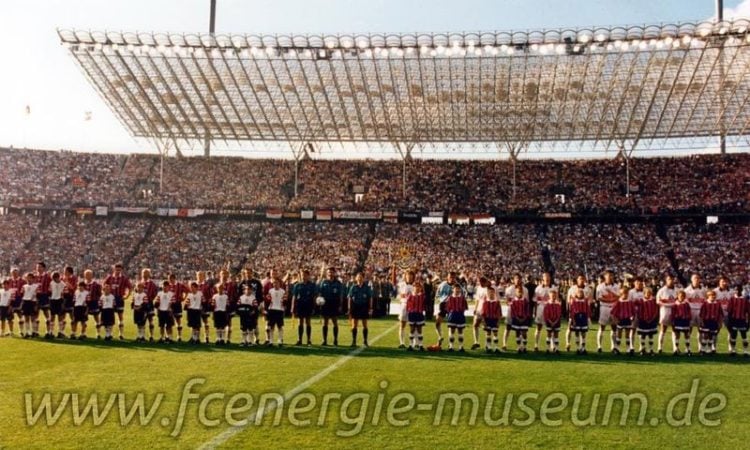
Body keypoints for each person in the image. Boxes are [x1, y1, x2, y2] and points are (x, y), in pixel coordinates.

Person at [104, 263, 132, 340]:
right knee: (110, 316)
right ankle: (109, 334)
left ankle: (121, 334)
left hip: (119, 299)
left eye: (119, 270)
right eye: (116, 269)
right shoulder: (109, 277)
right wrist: (106, 294)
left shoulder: (124, 278)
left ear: (121, 270)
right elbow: (104, 285)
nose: (118, 271)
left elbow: (130, 287)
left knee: (120, 317)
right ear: (114, 269)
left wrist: (127, 296)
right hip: (111, 299)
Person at [565, 275, 592, 352]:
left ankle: (582, 347)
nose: (581, 280)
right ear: (577, 279)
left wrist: (588, 315)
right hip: (574, 312)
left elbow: (590, 301)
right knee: (570, 328)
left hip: (583, 313)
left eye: (583, 279)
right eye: (580, 278)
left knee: (582, 331)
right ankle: (568, 343)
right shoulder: (572, 288)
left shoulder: (588, 289)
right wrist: (569, 312)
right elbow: (568, 300)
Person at [595, 270, 619, 353]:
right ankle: (599, 346)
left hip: (614, 308)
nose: (611, 277)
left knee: (614, 327)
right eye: (609, 276)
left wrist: (611, 298)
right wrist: (611, 298)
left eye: (612, 275)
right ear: (605, 276)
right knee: (602, 327)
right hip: (604, 308)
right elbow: (599, 298)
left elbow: (619, 297)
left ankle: (614, 347)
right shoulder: (600, 286)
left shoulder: (616, 286)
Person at [318, 266, 343, 346]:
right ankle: (324, 340)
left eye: (331, 272)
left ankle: (335, 340)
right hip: (325, 304)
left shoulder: (338, 283)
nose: (330, 273)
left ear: (334, 273)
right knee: (325, 323)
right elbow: (319, 293)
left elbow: (340, 295)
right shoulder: (323, 282)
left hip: (334, 304)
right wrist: (319, 300)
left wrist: (340, 305)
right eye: (328, 272)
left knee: (335, 322)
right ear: (326, 273)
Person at [503, 274, 529, 352]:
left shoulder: (525, 289)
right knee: (508, 327)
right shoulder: (509, 289)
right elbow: (507, 301)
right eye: (516, 278)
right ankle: (504, 344)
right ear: (513, 280)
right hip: (511, 311)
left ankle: (522, 346)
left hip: (521, 313)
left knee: (521, 330)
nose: (518, 280)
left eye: (519, 278)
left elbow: (526, 302)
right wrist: (513, 304)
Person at [291, 269, 316, 346]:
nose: (303, 276)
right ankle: (299, 339)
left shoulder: (312, 285)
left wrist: (314, 307)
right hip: (300, 304)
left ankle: (309, 340)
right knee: (300, 322)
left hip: (308, 304)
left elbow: (314, 297)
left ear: (308, 276)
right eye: (302, 275)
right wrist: (292, 307)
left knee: (308, 322)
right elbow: (294, 297)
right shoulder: (297, 285)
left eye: (305, 275)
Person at [348, 272, 373, 348]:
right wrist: (349, 308)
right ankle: (354, 341)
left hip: (364, 306)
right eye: (358, 277)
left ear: (363, 278)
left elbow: (370, 298)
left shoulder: (367, 288)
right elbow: (349, 297)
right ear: (356, 278)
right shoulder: (353, 287)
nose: (359, 278)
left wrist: (370, 308)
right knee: (354, 325)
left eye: (361, 277)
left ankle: (365, 341)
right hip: (355, 307)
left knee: (364, 324)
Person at [433, 271, 458, 348]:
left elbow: (462, 295)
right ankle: (440, 337)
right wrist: (439, 300)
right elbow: (437, 294)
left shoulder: (457, 286)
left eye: (453, 277)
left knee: (451, 325)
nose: (452, 279)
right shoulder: (443, 284)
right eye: (450, 277)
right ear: (447, 277)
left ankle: (451, 345)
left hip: (452, 306)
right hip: (443, 304)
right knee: (437, 323)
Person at [393, 266, 415, 349]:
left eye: (411, 276)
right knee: (402, 325)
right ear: (405, 276)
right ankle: (402, 343)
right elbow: (393, 282)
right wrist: (394, 269)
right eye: (407, 275)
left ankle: (413, 343)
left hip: (413, 307)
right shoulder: (402, 284)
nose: (409, 277)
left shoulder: (415, 285)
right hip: (404, 305)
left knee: (413, 325)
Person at [533, 272, 556, 352]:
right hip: (540, 310)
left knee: (551, 329)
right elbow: (535, 301)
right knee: (538, 328)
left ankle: (552, 346)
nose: (546, 278)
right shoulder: (538, 288)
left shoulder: (554, 288)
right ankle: (536, 345)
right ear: (542, 278)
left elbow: (557, 300)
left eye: (548, 277)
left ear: (550, 278)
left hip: (551, 310)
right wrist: (535, 312)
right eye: (545, 277)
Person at [684, 273, 707, 352]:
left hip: (701, 311)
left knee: (701, 330)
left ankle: (700, 347)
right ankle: (687, 347)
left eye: (698, 278)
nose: (696, 280)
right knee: (689, 330)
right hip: (691, 311)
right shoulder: (687, 290)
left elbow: (706, 300)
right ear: (691, 280)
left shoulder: (704, 290)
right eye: (695, 278)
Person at [656, 273, 677, 354]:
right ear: (666, 280)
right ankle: (659, 347)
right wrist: (669, 304)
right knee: (663, 330)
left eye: (672, 279)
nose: (671, 281)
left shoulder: (677, 290)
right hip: (665, 311)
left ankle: (675, 348)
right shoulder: (662, 290)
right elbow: (657, 301)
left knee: (674, 330)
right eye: (669, 279)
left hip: (674, 312)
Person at [613, 287, 637, 355]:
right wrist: (615, 319)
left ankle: (628, 348)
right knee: (619, 334)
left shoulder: (630, 302)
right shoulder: (618, 302)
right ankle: (617, 348)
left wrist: (633, 318)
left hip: (627, 320)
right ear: (620, 294)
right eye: (623, 293)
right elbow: (613, 312)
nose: (625, 295)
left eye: (626, 293)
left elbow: (634, 311)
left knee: (627, 334)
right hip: (620, 320)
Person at [726, 288, 749, 356]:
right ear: (734, 291)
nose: (737, 291)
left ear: (741, 291)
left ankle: (746, 351)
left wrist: (748, 323)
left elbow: (748, 311)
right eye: (736, 290)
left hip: (742, 320)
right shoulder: (732, 299)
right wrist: (729, 322)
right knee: (733, 335)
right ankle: (733, 350)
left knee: (744, 336)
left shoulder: (745, 300)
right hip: (734, 320)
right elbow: (729, 311)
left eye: (739, 290)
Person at [635, 287, 659, 355]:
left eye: (650, 293)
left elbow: (656, 310)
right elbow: (638, 310)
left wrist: (653, 318)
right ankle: (643, 349)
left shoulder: (653, 300)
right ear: (644, 293)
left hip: (651, 320)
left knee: (651, 335)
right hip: (643, 320)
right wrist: (642, 318)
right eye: (647, 293)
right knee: (643, 335)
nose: (648, 294)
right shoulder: (641, 301)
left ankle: (651, 349)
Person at [699, 290, 723, 355]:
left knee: (711, 336)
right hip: (706, 322)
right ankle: (702, 349)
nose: (713, 297)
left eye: (714, 295)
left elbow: (720, 314)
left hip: (714, 322)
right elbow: (701, 314)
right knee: (705, 336)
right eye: (711, 295)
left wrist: (720, 322)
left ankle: (709, 349)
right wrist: (702, 322)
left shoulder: (718, 304)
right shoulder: (705, 303)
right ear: (708, 296)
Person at [446, 284, 468, 352]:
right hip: (452, 315)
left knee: (460, 331)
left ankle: (461, 347)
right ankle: (451, 346)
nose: (457, 290)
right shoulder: (450, 298)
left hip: (460, 315)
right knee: (452, 331)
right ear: (453, 289)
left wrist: (461, 311)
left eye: (458, 289)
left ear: (460, 290)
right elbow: (447, 308)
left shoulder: (462, 298)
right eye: (456, 289)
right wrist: (450, 313)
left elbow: (465, 307)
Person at [166, 273, 187, 342]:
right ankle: (168, 336)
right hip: (169, 305)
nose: (169, 280)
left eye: (170, 279)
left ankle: (179, 336)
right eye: (168, 279)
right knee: (169, 321)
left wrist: (184, 298)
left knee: (178, 320)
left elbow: (187, 291)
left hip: (177, 304)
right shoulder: (167, 285)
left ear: (174, 278)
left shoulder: (180, 285)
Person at [265, 278, 286, 346]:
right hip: (272, 310)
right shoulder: (270, 291)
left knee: (280, 326)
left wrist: (284, 305)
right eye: (274, 283)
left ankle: (280, 340)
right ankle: (271, 341)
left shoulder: (283, 291)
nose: (275, 284)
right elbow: (267, 299)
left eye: (277, 283)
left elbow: (285, 300)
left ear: (279, 283)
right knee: (271, 326)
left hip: (280, 310)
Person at [406, 281, 427, 351]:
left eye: (418, 286)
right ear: (413, 288)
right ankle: (411, 345)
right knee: (411, 330)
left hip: (419, 314)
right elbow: (407, 305)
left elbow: (425, 295)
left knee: (419, 330)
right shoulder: (410, 295)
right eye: (415, 286)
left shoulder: (422, 296)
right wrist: (408, 311)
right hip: (412, 314)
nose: (417, 288)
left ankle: (420, 345)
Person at [481, 287, 502, 354]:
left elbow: (499, 313)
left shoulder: (497, 303)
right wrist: (483, 321)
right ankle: (489, 347)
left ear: (494, 293)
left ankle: (496, 347)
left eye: (492, 292)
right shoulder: (485, 303)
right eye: (489, 293)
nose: (491, 294)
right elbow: (483, 313)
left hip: (494, 319)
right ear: (487, 294)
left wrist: (498, 321)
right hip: (487, 320)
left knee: (495, 333)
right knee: (488, 333)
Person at [672, 290, 692, 356]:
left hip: (685, 321)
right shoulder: (675, 304)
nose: (681, 297)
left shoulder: (686, 304)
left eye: (683, 296)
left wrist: (688, 317)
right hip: (678, 321)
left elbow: (689, 312)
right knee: (677, 335)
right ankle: (676, 349)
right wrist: (674, 320)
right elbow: (673, 313)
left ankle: (688, 349)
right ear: (677, 296)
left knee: (686, 335)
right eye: (680, 296)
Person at [140, 269, 158, 342]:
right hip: (141, 304)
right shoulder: (140, 283)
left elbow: (155, 293)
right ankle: (142, 336)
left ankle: (151, 336)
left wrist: (150, 299)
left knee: (150, 320)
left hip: (149, 304)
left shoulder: (152, 284)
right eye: (144, 273)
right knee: (142, 321)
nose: (145, 274)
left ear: (149, 274)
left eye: (146, 273)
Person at [196, 271, 214, 344]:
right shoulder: (194, 284)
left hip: (204, 307)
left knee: (205, 322)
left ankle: (206, 337)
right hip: (195, 307)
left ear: (204, 276)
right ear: (196, 276)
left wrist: (207, 304)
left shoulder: (207, 285)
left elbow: (211, 296)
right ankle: (197, 338)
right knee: (196, 323)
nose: (200, 276)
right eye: (198, 275)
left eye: (201, 275)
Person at [83, 270, 102, 339]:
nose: (88, 276)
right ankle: (84, 333)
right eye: (86, 274)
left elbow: (99, 294)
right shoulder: (82, 284)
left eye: (89, 274)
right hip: (84, 303)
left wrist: (98, 302)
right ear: (84, 275)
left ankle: (98, 333)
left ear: (92, 275)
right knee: (84, 319)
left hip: (94, 302)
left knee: (96, 318)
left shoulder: (96, 284)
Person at [471, 276, 489, 350]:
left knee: (486, 327)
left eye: (482, 282)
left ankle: (487, 344)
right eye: (480, 282)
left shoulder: (488, 288)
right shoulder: (478, 288)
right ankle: (476, 342)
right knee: (475, 325)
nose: (480, 283)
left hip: (486, 310)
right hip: (479, 309)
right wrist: (475, 308)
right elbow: (477, 299)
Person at [34, 262, 52, 338]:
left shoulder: (47, 276)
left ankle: (48, 332)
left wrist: (49, 294)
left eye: (40, 267)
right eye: (37, 267)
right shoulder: (34, 276)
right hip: (36, 297)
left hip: (44, 296)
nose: (38, 268)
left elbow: (51, 286)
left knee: (46, 314)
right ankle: (36, 331)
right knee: (36, 314)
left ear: (44, 268)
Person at [20, 273, 39, 338]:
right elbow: (22, 294)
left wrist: (36, 304)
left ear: (33, 279)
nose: (29, 279)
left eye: (30, 278)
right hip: (25, 302)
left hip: (32, 302)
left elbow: (37, 295)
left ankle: (34, 332)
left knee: (33, 318)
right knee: (26, 318)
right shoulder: (24, 286)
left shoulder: (36, 286)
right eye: (27, 278)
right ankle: (28, 332)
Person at [61, 266, 77, 338]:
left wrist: (66, 282)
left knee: (72, 316)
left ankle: (73, 332)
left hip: (70, 298)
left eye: (65, 271)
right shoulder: (61, 278)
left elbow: (73, 288)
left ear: (69, 272)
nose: (64, 272)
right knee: (62, 316)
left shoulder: (73, 278)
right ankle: (62, 332)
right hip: (63, 298)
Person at [49, 272, 66, 338]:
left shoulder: (63, 284)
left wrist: (63, 299)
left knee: (60, 316)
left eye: (55, 278)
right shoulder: (51, 283)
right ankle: (51, 332)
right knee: (52, 316)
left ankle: (60, 332)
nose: (54, 279)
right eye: (53, 278)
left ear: (58, 277)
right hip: (53, 300)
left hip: (59, 300)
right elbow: (50, 291)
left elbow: (64, 293)